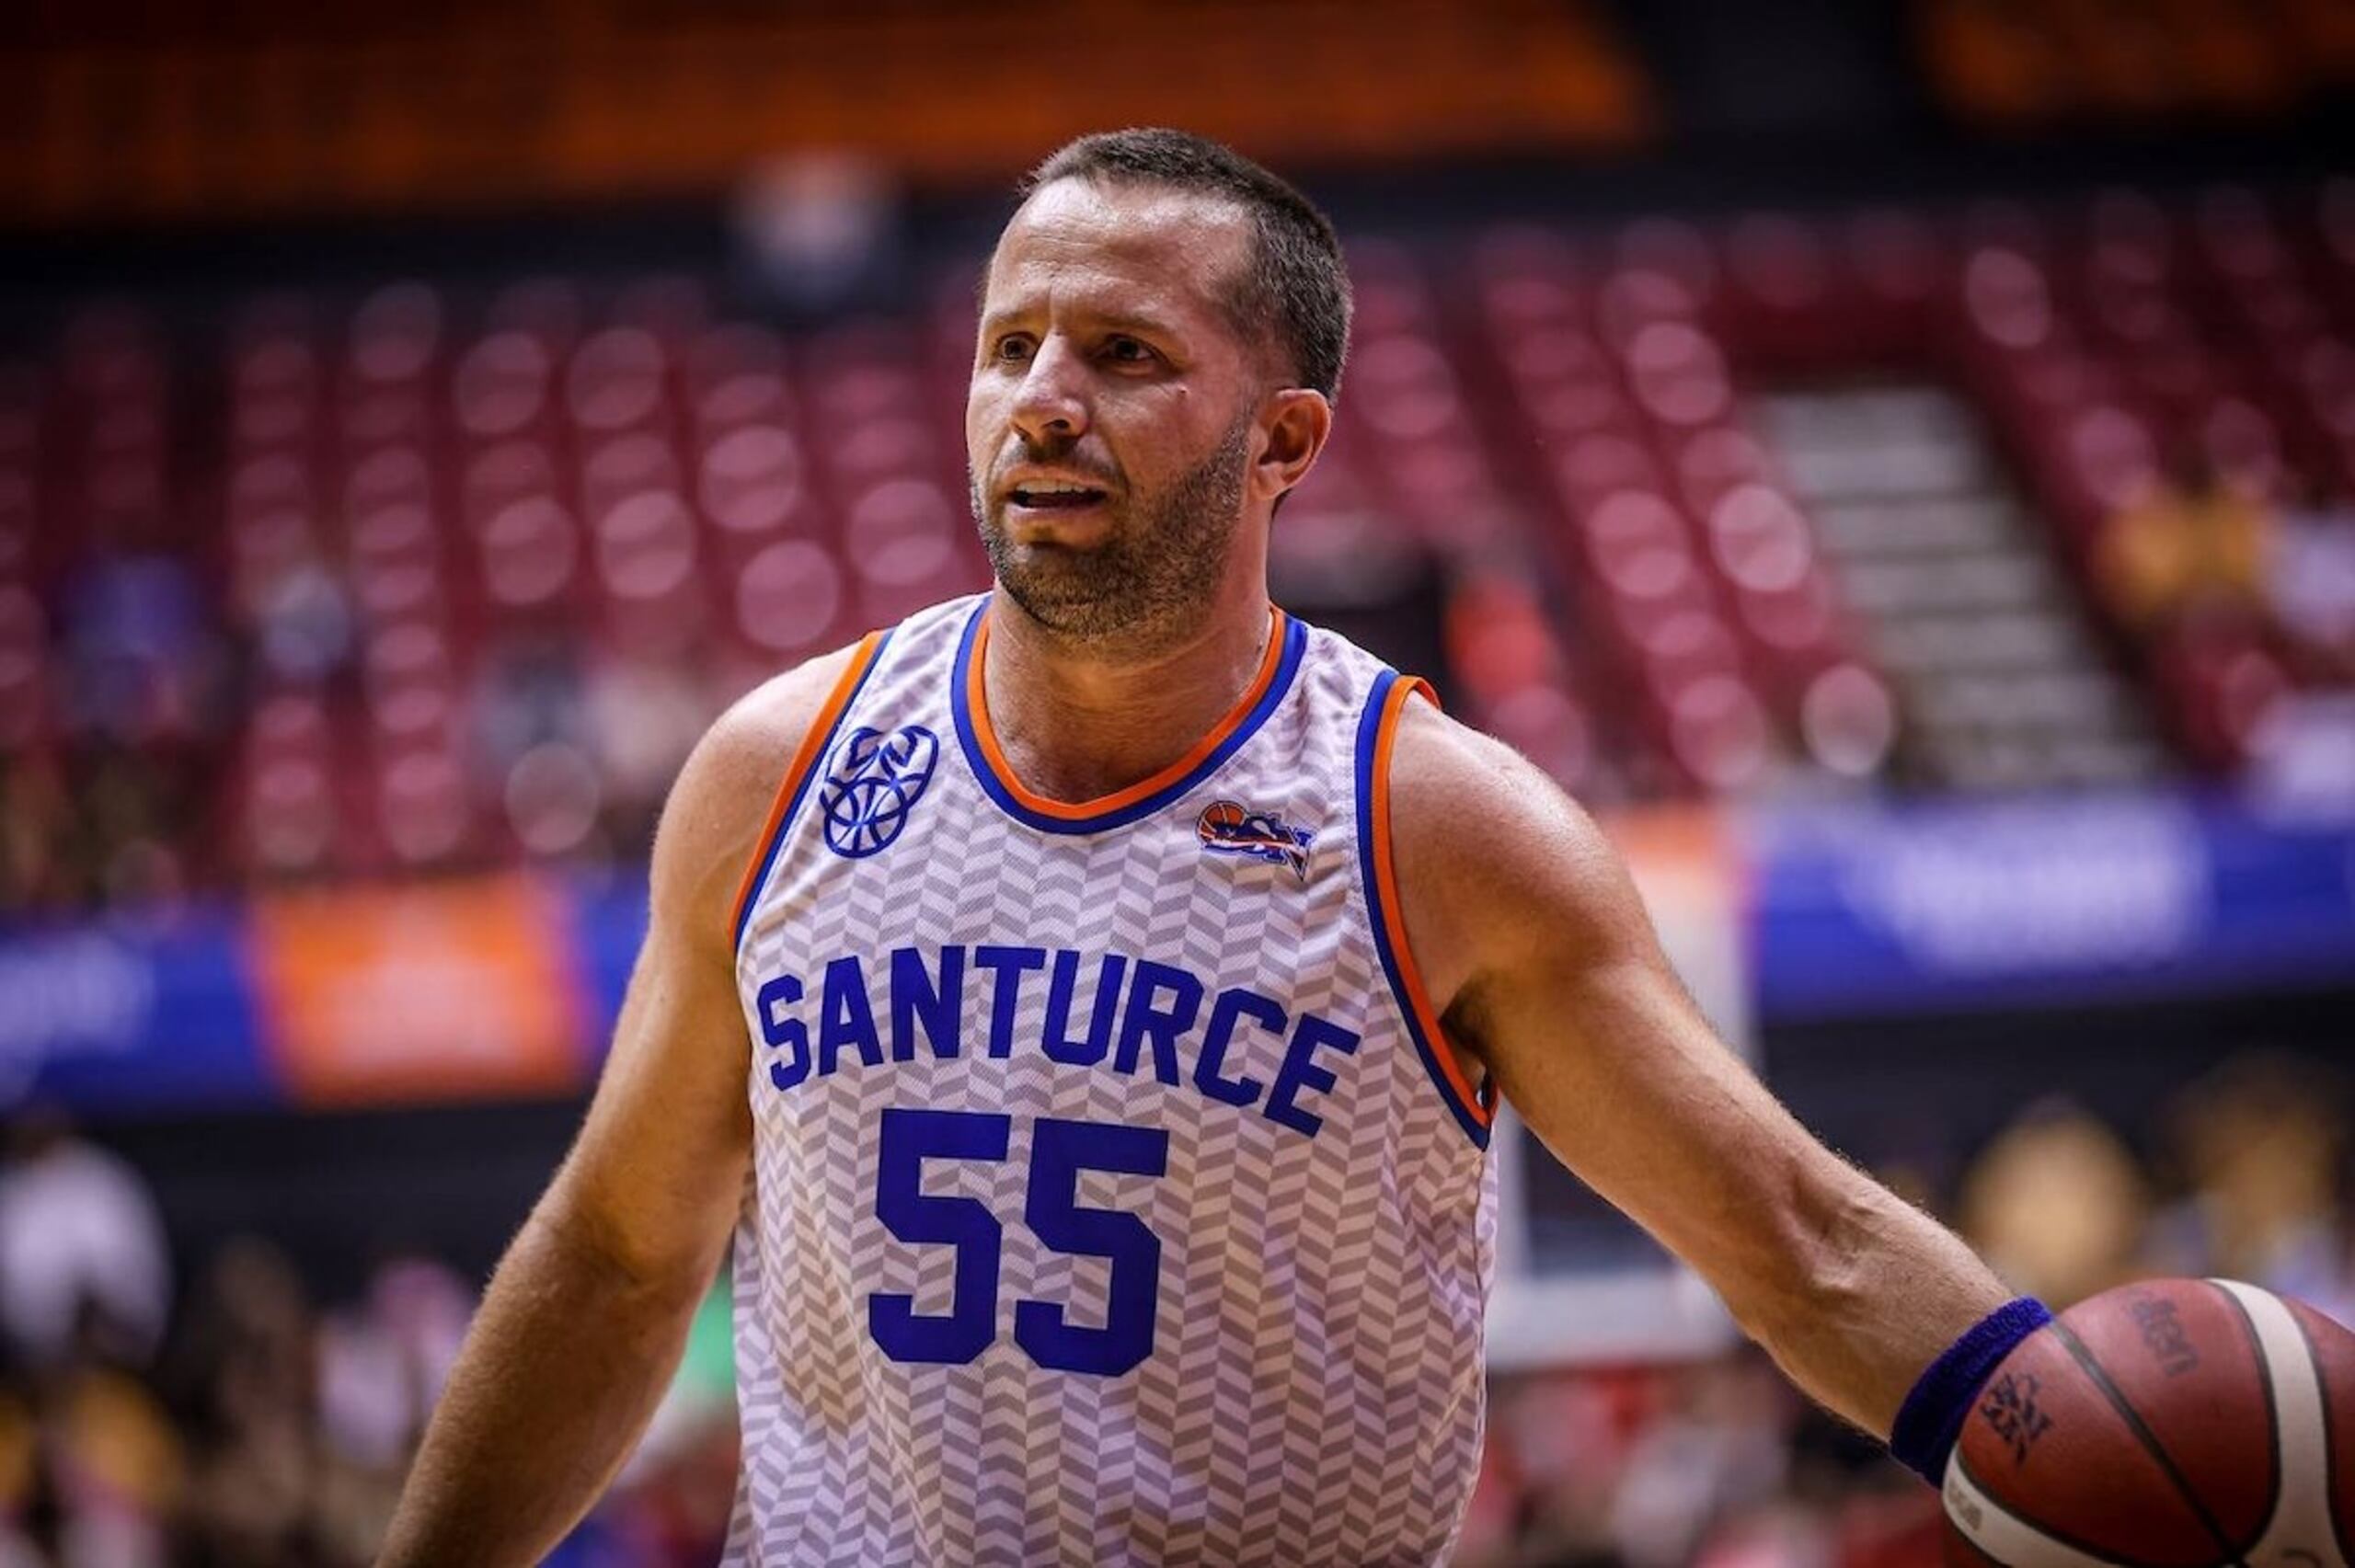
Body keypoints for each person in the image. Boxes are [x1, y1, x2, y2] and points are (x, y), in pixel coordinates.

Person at [380, 130, 2034, 1566]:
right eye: (1009, 343)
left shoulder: (1434, 824)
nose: (1041, 401)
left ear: (1285, 441)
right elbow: (612, 1257)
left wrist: (2078, 1446)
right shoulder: (778, 773)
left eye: (1122, 352)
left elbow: (1802, 1245)